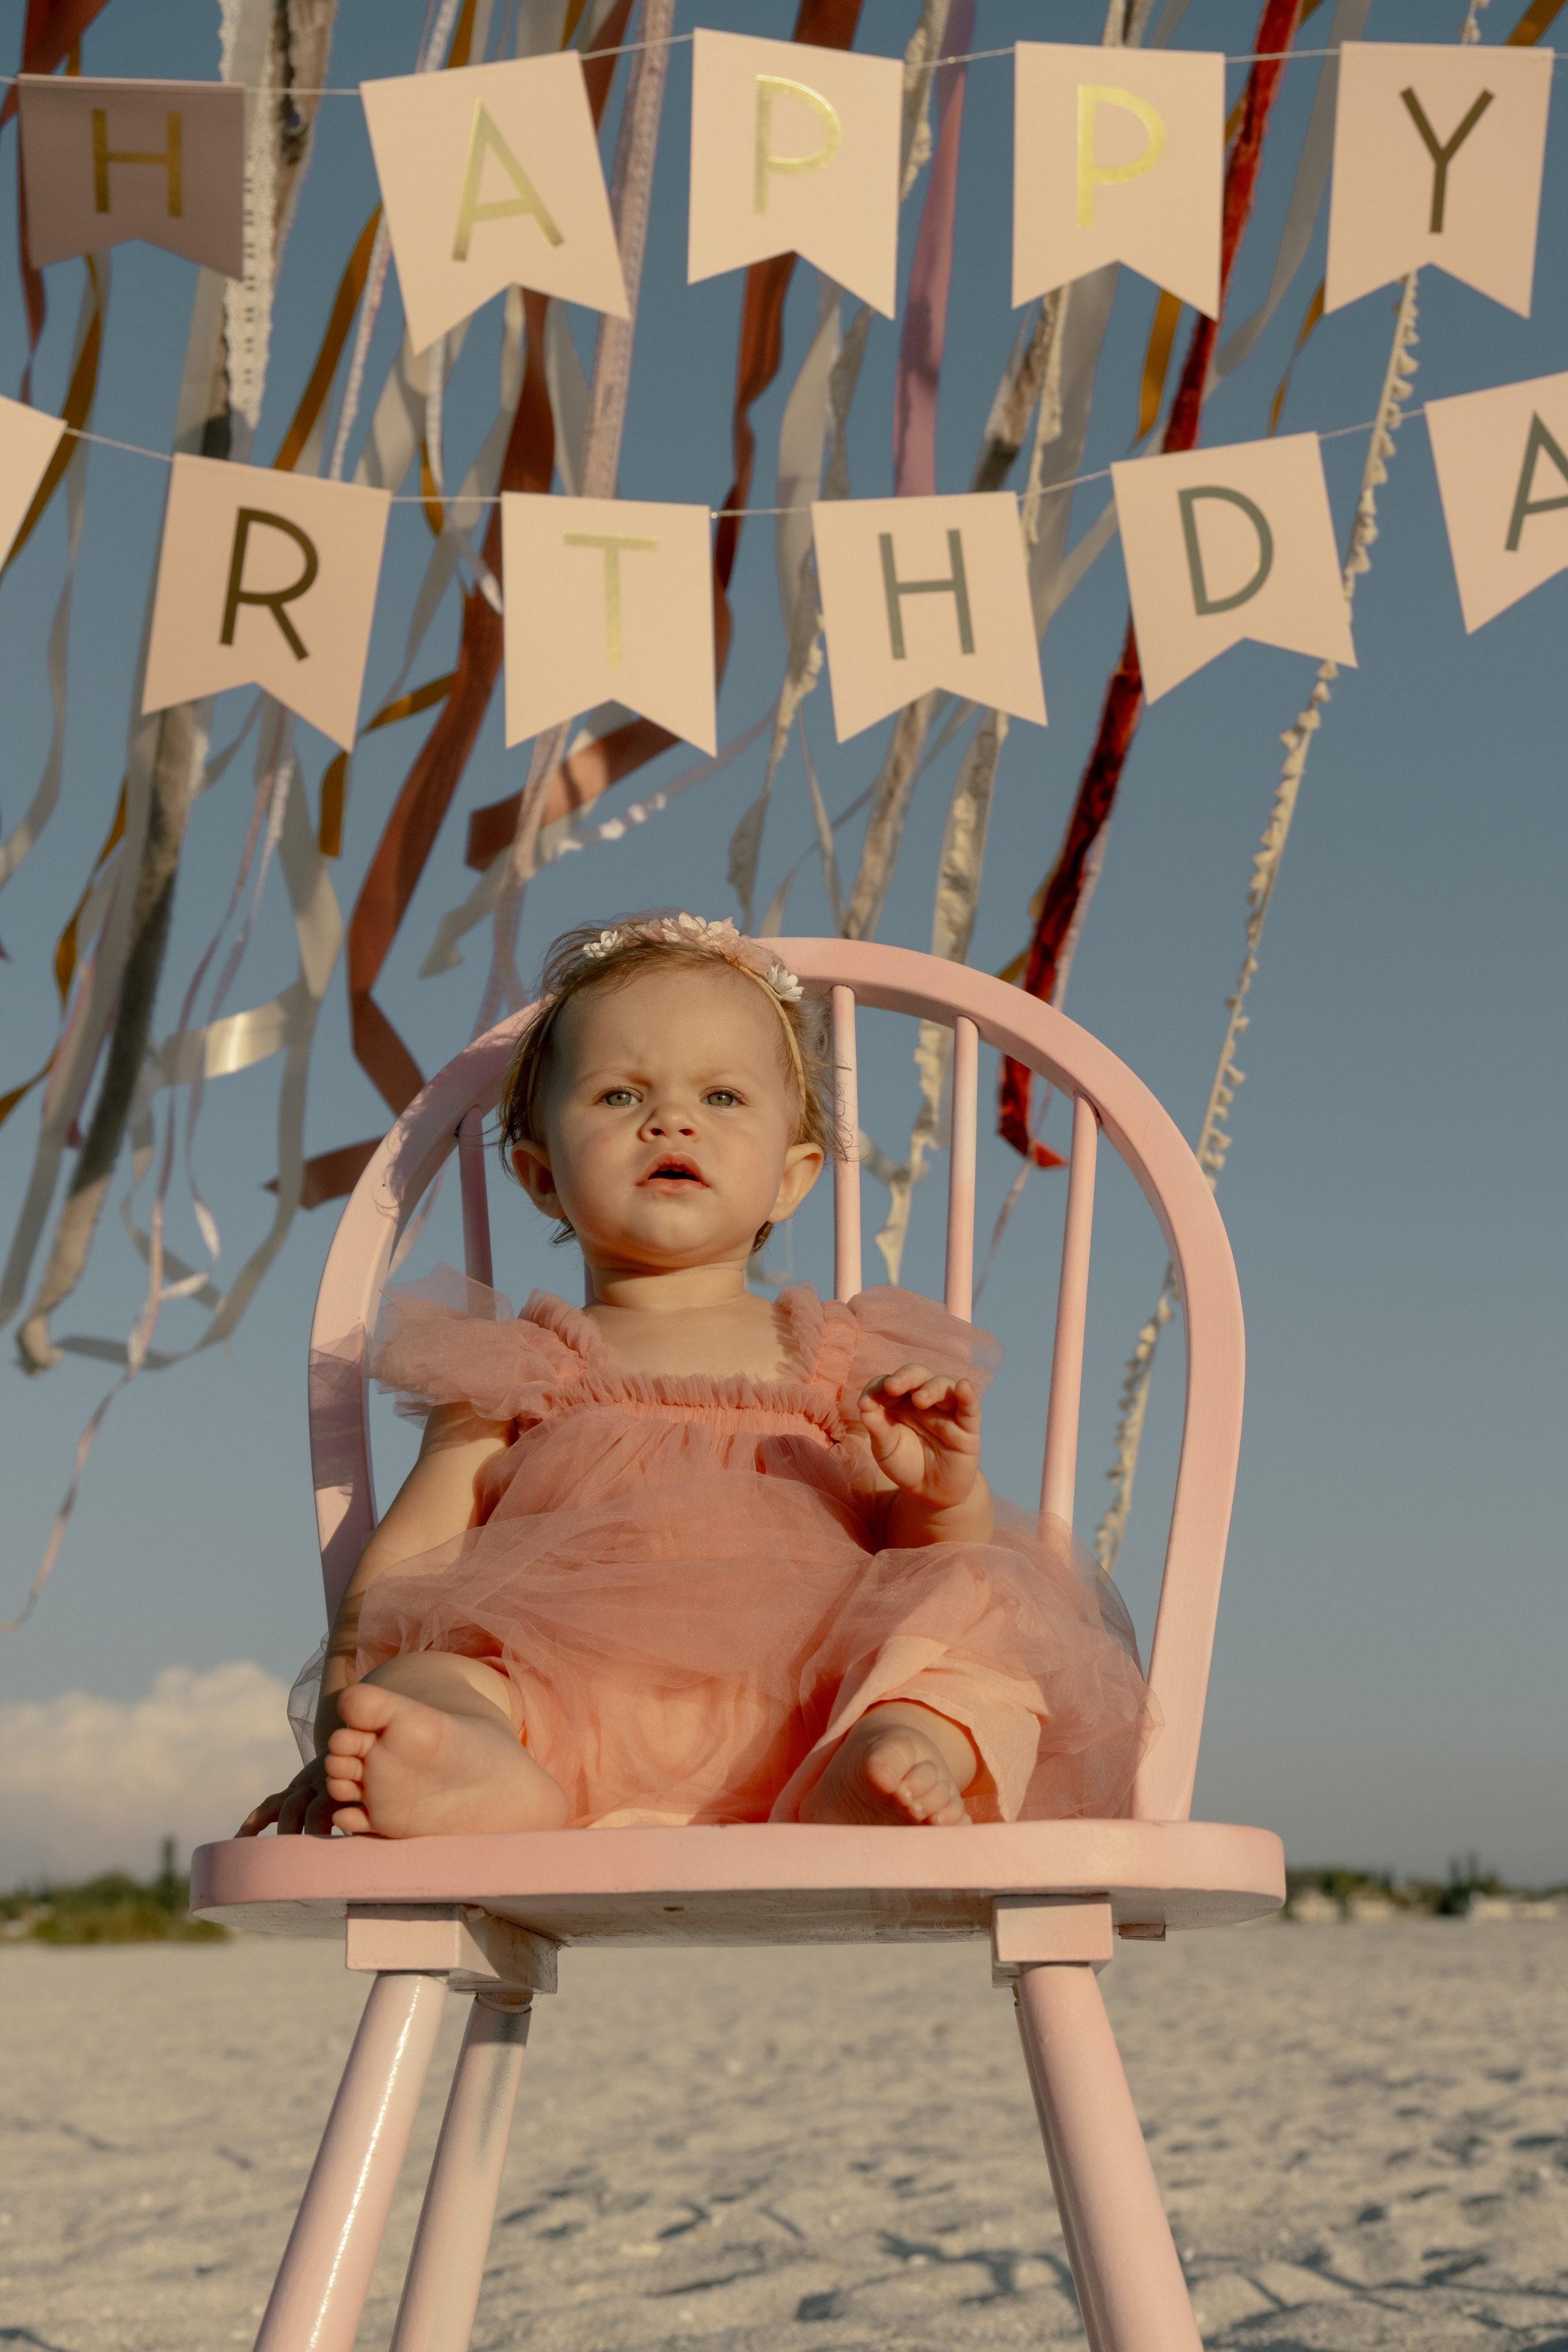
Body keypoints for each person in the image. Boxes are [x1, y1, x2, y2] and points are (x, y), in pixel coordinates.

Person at [239, 913, 1156, 1842]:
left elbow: (924, 1564)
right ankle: (481, 1777)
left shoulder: (845, 1361)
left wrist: (937, 1497)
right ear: (540, 1175)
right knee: (427, 1678)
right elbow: (401, 1576)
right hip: (565, 1718)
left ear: (794, 1177)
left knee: (982, 1617)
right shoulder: (518, 1369)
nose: (669, 1119)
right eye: (616, 1095)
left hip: (812, 1717)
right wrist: (349, 1730)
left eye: (721, 1098)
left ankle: (880, 1756)